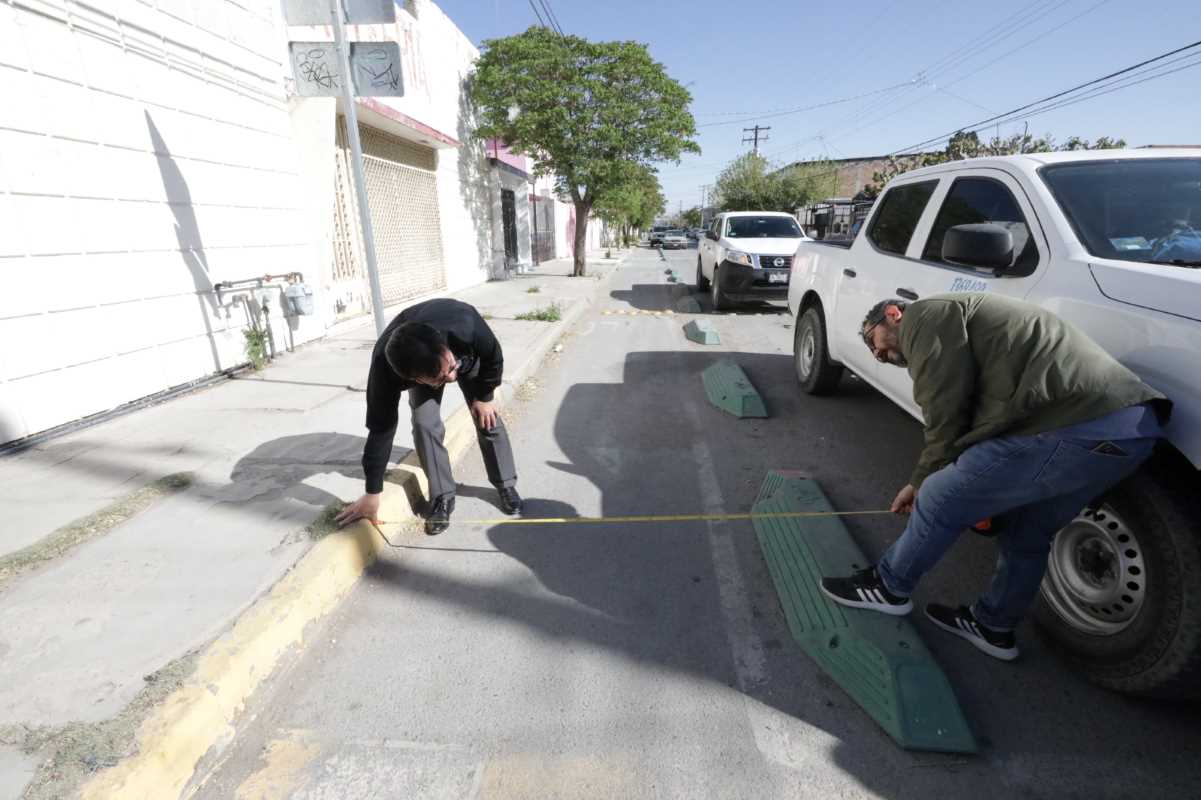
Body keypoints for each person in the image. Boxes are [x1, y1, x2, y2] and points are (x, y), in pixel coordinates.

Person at [820, 293, 1170, 661]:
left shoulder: (924, 316)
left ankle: (888, 587)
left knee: (939, 495)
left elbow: (944, 405)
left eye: (871, 339)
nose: (877, 355)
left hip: (1074, 424)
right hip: (1133, 432)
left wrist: (922, 479)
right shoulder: (971, 325)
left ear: (893, 315)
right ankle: (993, 625)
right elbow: (982, 414)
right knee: (1027, 530)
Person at [335, 298, 522, 535]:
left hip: (462, 353)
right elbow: (381, 429)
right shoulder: (385, 371)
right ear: (414, 380)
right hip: (422, 358)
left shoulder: (464, 324)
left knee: (486, 416)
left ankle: (505, 484)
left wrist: (485, 396)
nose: (452, 379)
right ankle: (443, 496)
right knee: (424, 424)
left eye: (451, 371)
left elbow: (493, 356)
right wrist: (373, 493)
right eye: (441, 379)